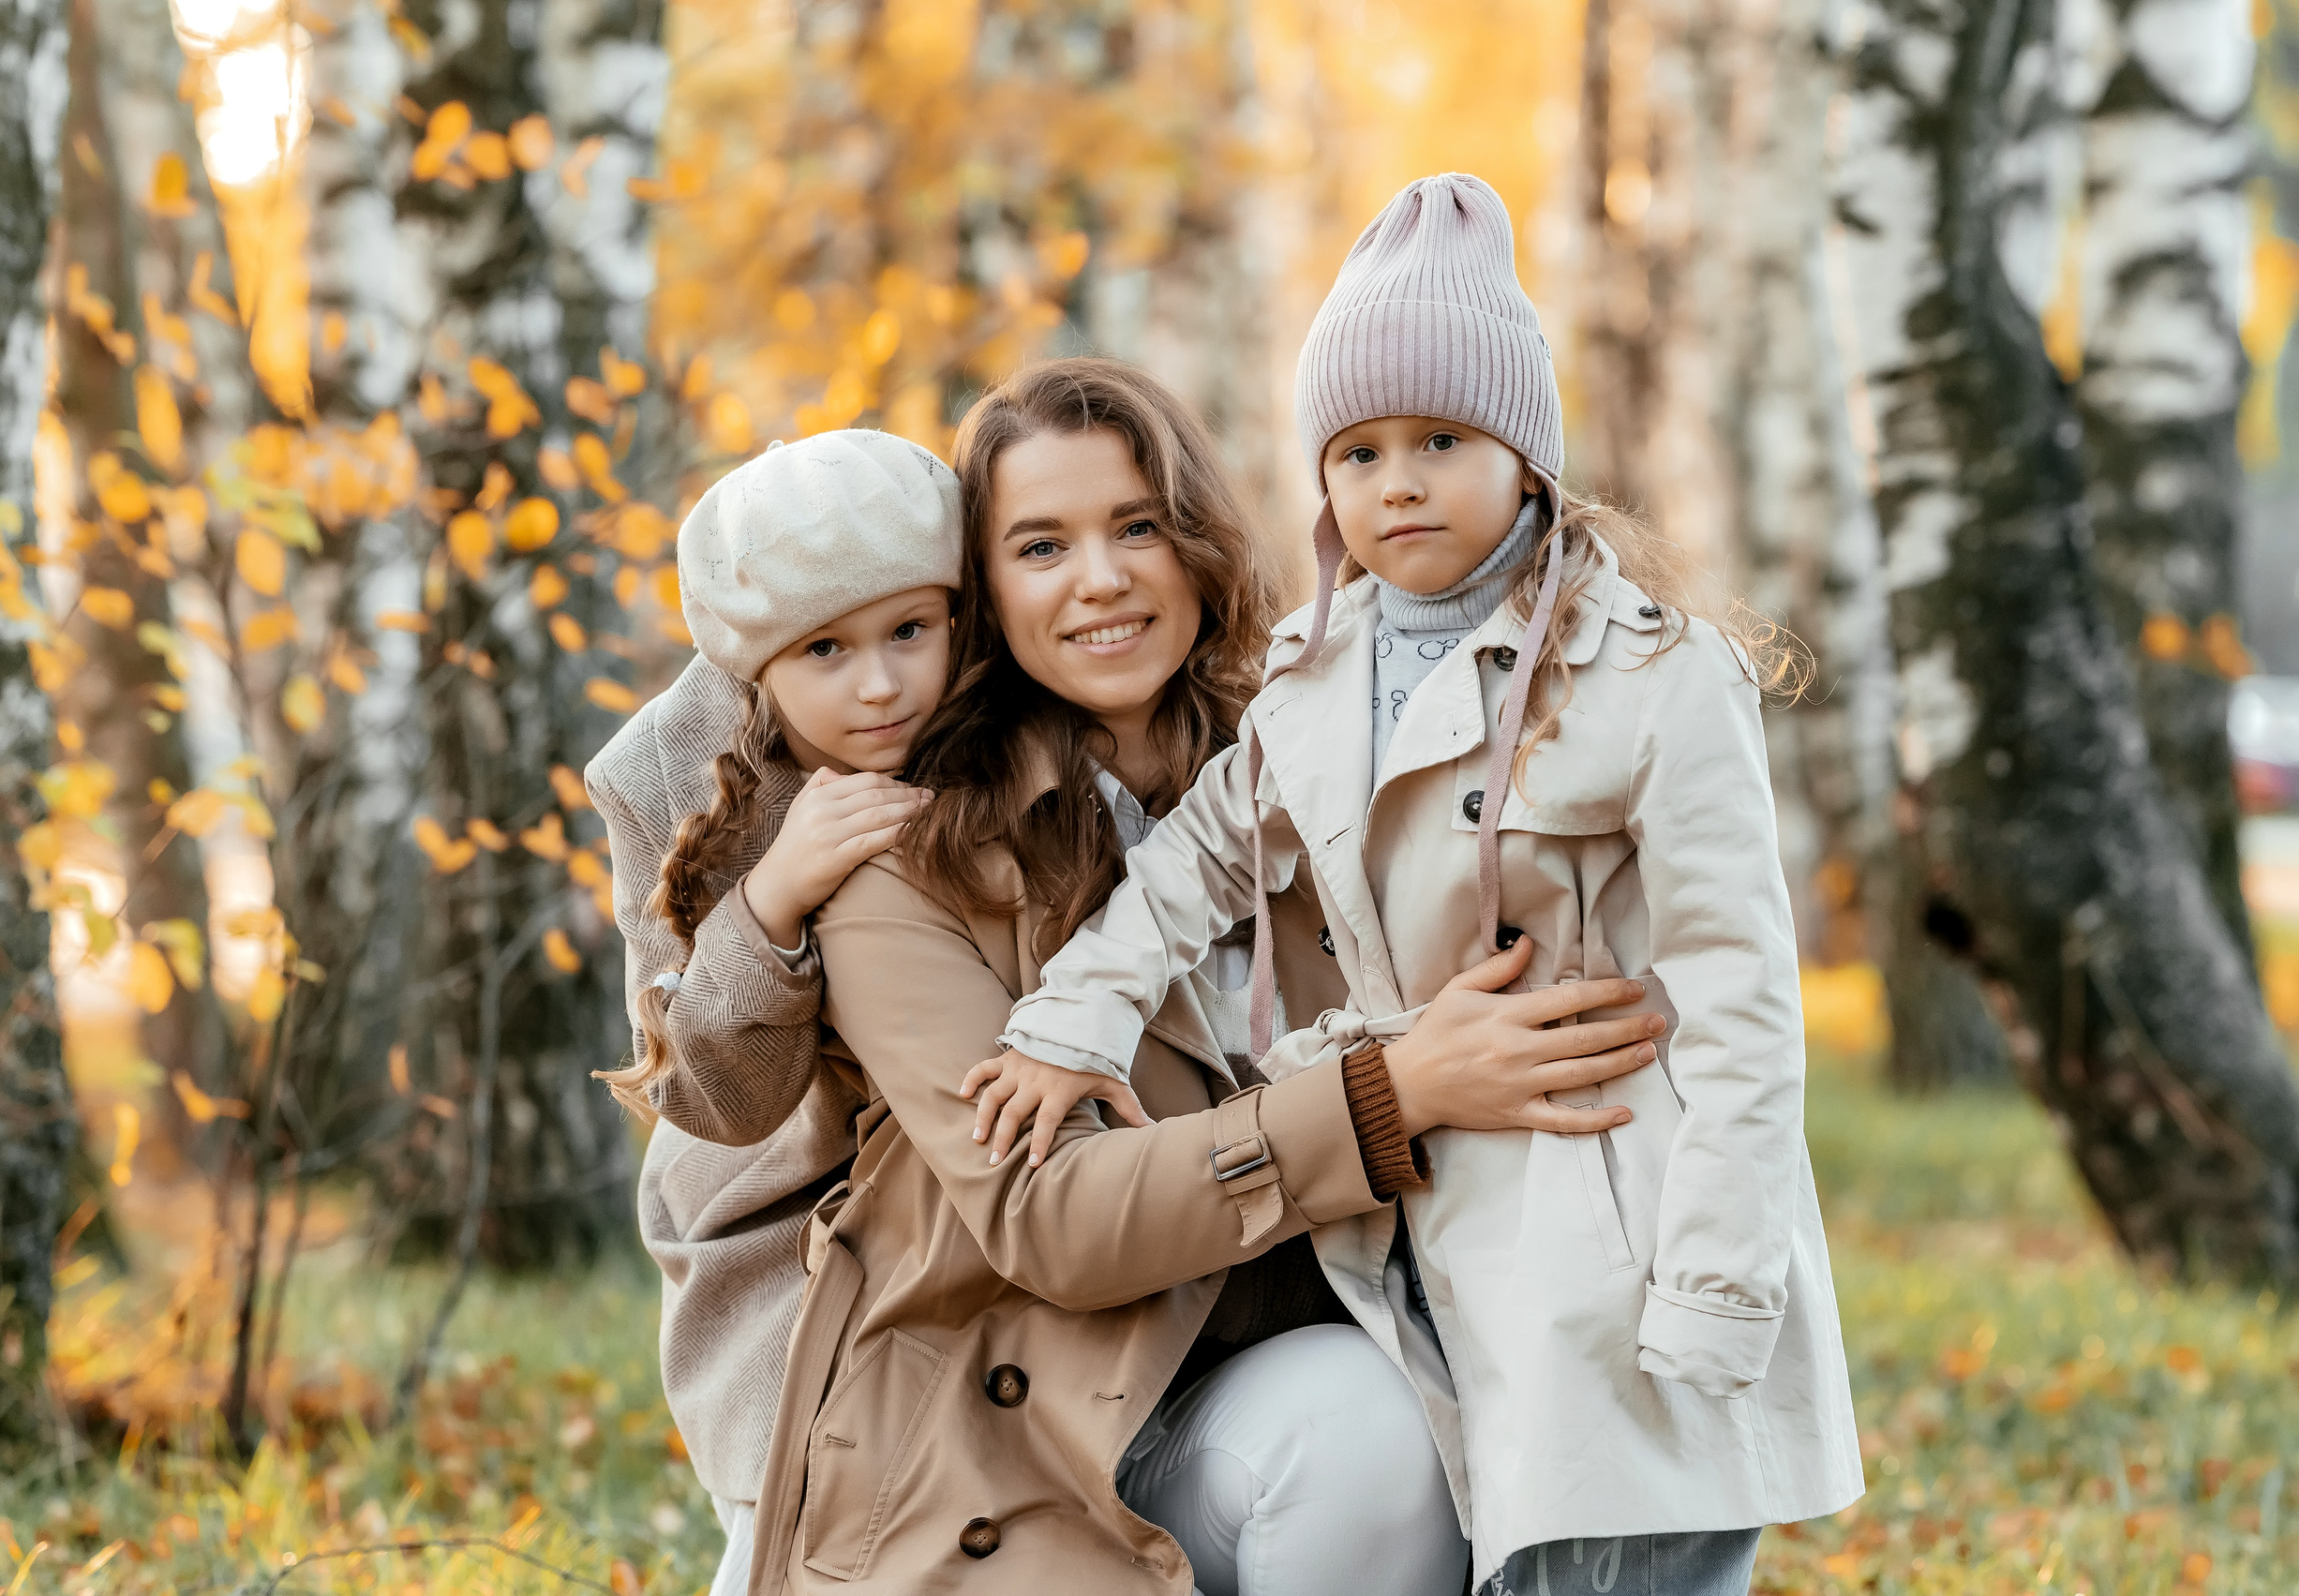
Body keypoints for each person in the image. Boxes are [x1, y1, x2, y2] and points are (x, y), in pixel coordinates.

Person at [978, 174, 1866, 1595]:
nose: (1396, 482)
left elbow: (1740, 994)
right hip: (1429, 1229)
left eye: (1441, 439)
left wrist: (1714, 1281)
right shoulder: (1314, 684)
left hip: (1616, 1217)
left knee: (1619, 1552)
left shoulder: (1649, 671)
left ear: (1525, 455)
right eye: (1357, 450)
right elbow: (1190, 866)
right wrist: (1072, 1016)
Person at [752, 357, 1657, 1596]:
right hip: (1030, 1448)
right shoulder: (906, 860)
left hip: (1300, 1351)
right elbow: (1048, 1216)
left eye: (1138, 526)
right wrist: (1388, 1094)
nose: (1102, 577)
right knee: (1359, 1433)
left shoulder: (1328, 763)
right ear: (982, 594)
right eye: (1040, 546)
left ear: (1199, 543)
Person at [583, 429, 1086, 1596]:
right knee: (822, 1522)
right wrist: (769, 902)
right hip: (785, 1228)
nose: (879, 684)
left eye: (909, 630)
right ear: (755, 658)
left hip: (991, 1188)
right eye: (825, 648)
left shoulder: (1006, 714)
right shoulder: (663, 771)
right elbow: (709, 1097)